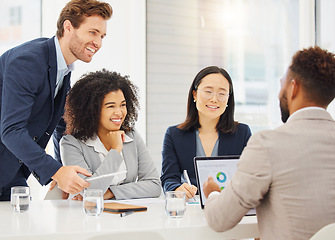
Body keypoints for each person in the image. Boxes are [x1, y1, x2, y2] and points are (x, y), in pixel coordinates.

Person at [203, 46, 335, 239]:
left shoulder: (267, 144)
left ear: (293, 87)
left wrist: (214, 194)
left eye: (281, 84)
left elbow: (219, 220)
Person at [0, 0, 113, 201]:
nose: (99, 43)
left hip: (12, 172)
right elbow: (11, 131)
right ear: (68, 26)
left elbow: (61, 125)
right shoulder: (28, 62)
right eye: (93, 32)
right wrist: (56, 171)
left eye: (102, 36)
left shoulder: (63, 70)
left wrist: (64, 170)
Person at [60, 69, 161, 200]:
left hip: (126, 215)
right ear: (92, 110)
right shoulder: (71, 143)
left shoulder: (132, 135)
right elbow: (89, 191)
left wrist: (111, 192)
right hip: (88, 215)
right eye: (111, 106)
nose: (119, 113)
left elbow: (154, 186)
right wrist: (115, 150)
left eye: (122, 105)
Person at [161, 66, 252, 199]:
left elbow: (251, 176)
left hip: (229, 207)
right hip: (191, 210)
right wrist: (178, 188)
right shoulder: (174, 135)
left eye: (222, 94)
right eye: (208, 91)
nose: (214, 99)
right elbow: (168, 178)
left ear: (228, 99)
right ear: (195, 94)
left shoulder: (242, 133)